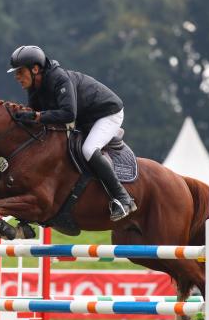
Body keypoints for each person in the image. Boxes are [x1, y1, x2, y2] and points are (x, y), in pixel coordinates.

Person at [7, 45, 137, 221]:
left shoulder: (59, 79)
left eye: (20, 72)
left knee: (89, 150)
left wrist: (37, 116)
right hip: (86, 118)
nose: (16, 77)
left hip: (107, 113)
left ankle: (124, 199)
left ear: (35, 69)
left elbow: (68, 114)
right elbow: (36, 116)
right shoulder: (35, 87)